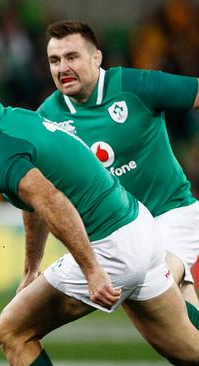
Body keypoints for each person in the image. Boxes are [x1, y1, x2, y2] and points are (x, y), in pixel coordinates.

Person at [0, 69, 199, 365]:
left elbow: (51, 200)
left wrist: (92, 270)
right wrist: (31, 268)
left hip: (111, 248)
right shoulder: (16, 118)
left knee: (12, 332)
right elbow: (34, 202)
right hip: (142, 227)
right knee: (189, 350)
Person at [37, 20, 199, 307]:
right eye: (54, 60)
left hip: (171, 213)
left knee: (154, 278)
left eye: (71, 57)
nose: (62, 68)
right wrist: (31, 264)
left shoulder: (134, 86)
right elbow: (38, 189)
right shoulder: (47, 118)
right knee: (178, 328)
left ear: (96, 57)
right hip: (122, 232)